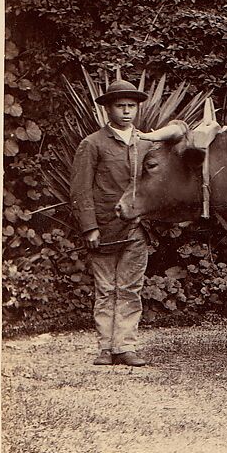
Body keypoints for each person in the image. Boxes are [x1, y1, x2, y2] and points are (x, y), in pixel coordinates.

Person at [70, 78, 156, 366]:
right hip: (104, 228)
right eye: (120, 106)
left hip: (136, 228)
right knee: (106, 289)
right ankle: (105, 348)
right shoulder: (92, 144)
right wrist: (89, 226)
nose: (127, 111)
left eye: (132, 106)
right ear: (108, 109)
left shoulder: (145, 143)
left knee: (131, 288)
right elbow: (80, 190)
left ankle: (125, 346)